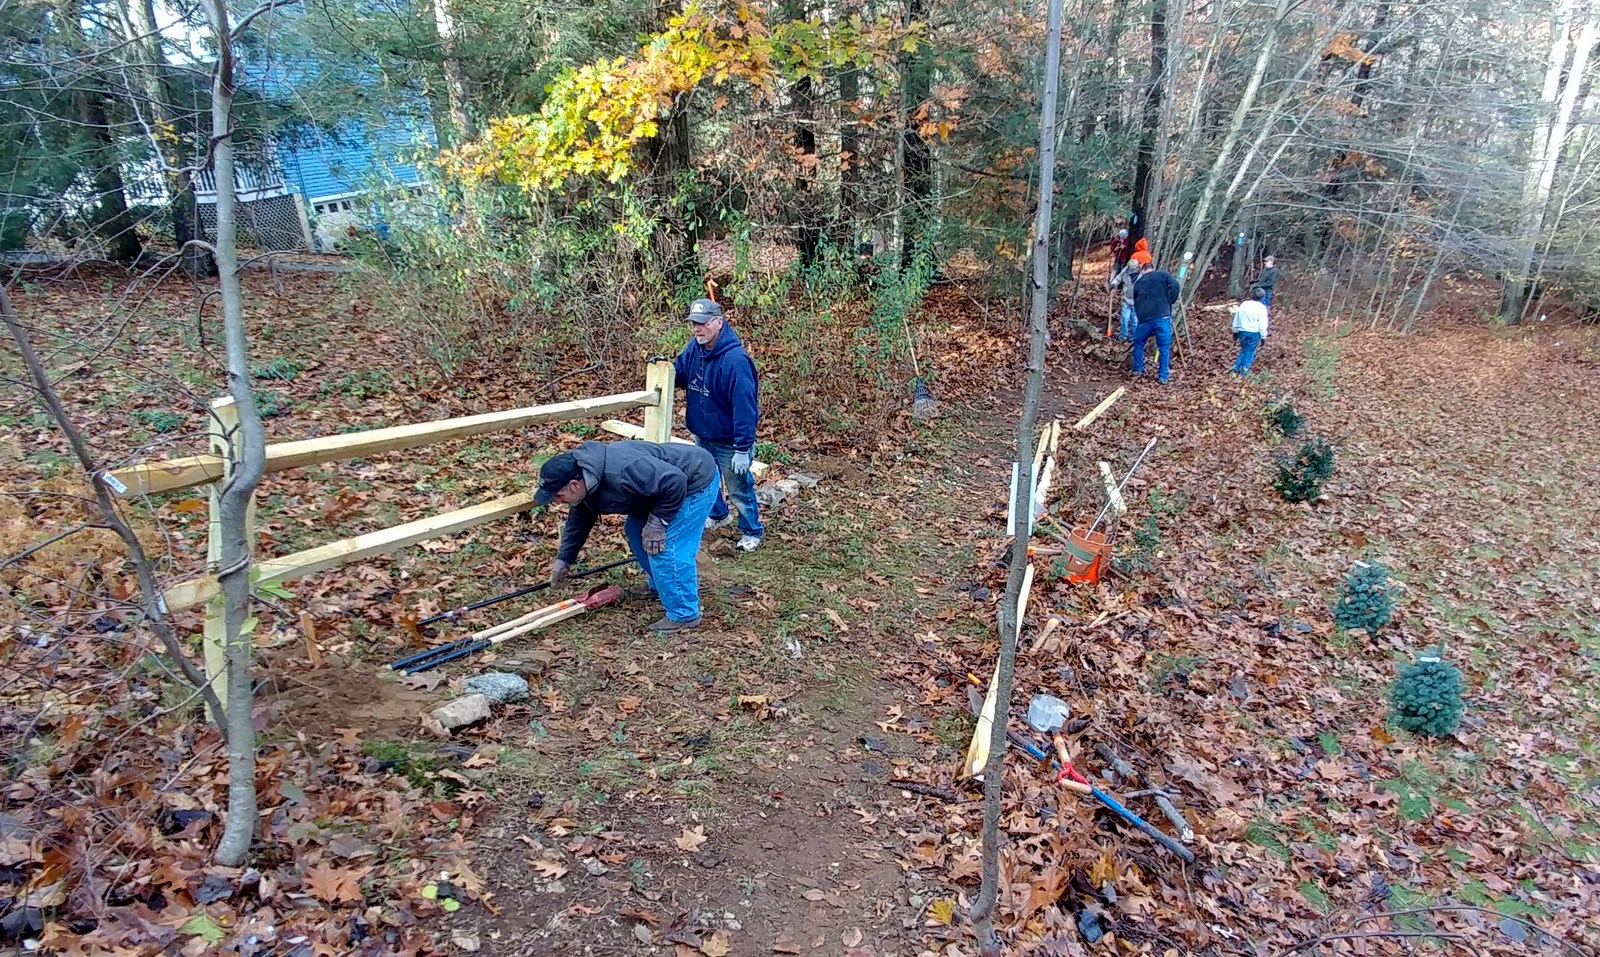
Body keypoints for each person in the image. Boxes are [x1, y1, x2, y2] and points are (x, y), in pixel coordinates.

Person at [536, 439, 719, 633]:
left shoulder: (623, 470)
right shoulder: (585, 481)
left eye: (557, 496)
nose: (556, 502)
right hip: (657, 491)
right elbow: (579, 520)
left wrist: (657, 523)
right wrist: (564, 560)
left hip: (693, 481)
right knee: (635, 531)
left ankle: (684, 613)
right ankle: (662, 585)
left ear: (574, 485)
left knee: (667, 546)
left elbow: (674, 481)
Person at [674, 298, 763, 552]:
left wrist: (743, 448)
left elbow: (745, 408)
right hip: (703, 434)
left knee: (739, 487)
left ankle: (751, 530)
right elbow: (680, 373)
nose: (697, 329)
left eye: (702, 323)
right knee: (706, 481)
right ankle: (719, 514)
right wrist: (666, 370)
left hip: (728, 440)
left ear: (719, 323)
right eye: (694, 323)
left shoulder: (735, 361)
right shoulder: (695, 348)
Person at [1129, 259, 1181, 384]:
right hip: (1163, 316)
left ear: (1143, 270)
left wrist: (1141, 316)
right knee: (1164, 347)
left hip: (1145, 319)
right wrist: (1170, 301)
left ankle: (1138, 369)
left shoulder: (1138, 282)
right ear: (1153, 268)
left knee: (1138, 342)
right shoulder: (1162, 275)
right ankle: (1163, 376)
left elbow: (1136, 302)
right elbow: (1176, 286)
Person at [1230, 286, 1270, 375]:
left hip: (1242, 331)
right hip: (1254, 333)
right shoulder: (1261, 308)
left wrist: (1235, 330)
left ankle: (1235, 368)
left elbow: (1237, 317)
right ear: (1262, 297)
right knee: (1250, 351)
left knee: (1244, 349)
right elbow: (1263, 323)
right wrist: (1263, 336)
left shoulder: (1244, 304)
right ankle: (1244, 369)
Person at [1107, 258, 1140, 341]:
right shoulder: (1125, 271)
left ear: (1137, 268)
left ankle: (1133, 336)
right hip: (1126, 299)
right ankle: (1123, 335)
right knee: (1125, 319)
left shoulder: (1142, 275)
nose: (1130, 271)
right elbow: (1118, 278)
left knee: (1135, 321)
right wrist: (1113, 284)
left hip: (1137, 301)